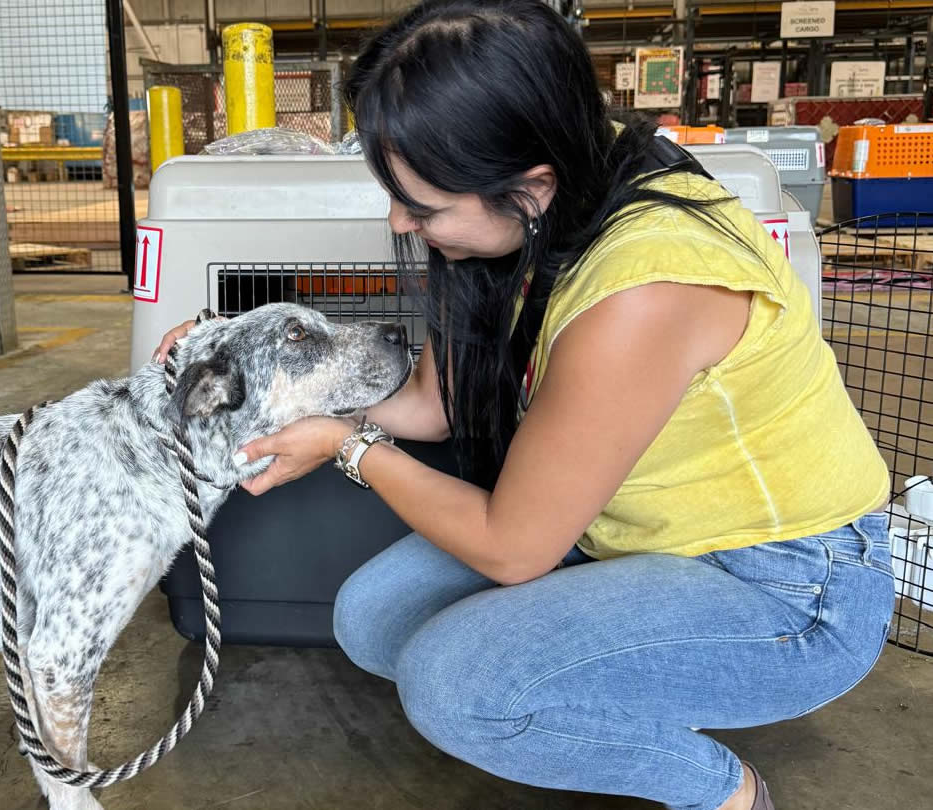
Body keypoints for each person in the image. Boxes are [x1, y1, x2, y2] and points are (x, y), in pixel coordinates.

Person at [153, 2, 895, 808]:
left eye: (423, 207)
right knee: (374, 618)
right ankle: (591, 690)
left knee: (456, 686)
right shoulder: (548, 209)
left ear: (528, 185)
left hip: (784, 584)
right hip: (635, 531)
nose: (401, 222)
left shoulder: (646, 287)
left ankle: (723, 793)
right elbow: (433, 405)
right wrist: (233, 349)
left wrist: (346, 446)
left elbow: (512, 549)